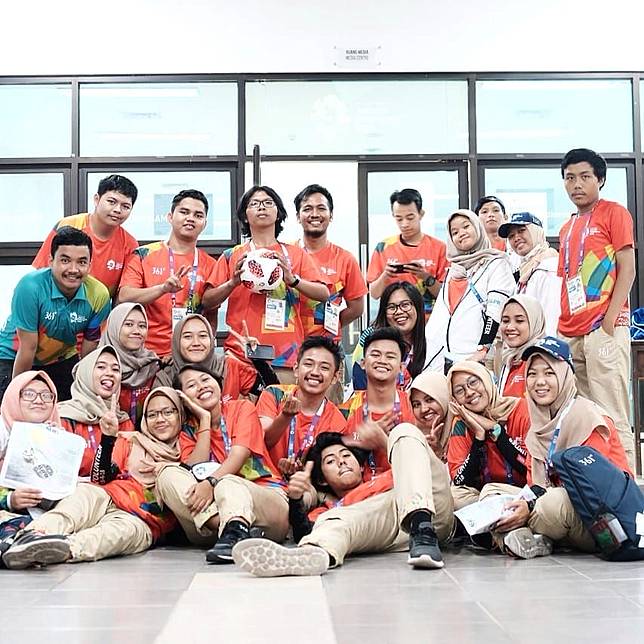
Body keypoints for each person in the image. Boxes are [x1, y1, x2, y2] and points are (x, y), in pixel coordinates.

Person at [232, 423, 454, 576]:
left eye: (346, 455)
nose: (342, 462)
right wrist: (296, 498)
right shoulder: (334, 509)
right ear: (323, 480)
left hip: (434, 507)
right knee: (333, 520)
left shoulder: (393, 472)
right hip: (392, 527)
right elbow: (303, 526)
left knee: (404, 431)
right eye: (330, 461)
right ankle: (310, 556)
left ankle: (423, 526)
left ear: (359, 463)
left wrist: (384, 441)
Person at [1, 387, 182, 569]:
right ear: (144, 420)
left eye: (168, 412)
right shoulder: (130, 440)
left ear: (180, 415)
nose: (160, 419)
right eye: (152, 414)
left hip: (143, 518)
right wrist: (108, 439)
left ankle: (62, 548)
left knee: (116, 534)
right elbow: (100, 477)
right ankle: (29, 536)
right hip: (106, 496)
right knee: (77, 501)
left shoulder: (188, 449)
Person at [484, 337, 630, 558]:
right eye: (532, 374)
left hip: (599, 520)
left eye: (549, 373)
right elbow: (535, 484)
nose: (539, 381)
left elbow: (593, 491)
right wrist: (527, 502)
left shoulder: (587, 417)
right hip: (551, 508)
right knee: (492, 494)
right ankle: (534, 540)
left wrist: (530, 507)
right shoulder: (539, 422)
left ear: (565, 375)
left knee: (552, 504)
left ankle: (522, 534)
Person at [154, 365, 288, 563]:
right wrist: (205, 420)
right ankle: (233, 531)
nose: (201, 386)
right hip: (209, 522)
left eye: (205, 379)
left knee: (227, 481)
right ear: (183, 398)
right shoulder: (187, 431)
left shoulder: (242, 408)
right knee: (167, 474)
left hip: (266, 507)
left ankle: (237, 528)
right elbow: (193, 469)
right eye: (191, 385)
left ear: (218, 383)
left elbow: (238, 455)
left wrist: (211, 483)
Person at [557, 148, 636, 468]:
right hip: (571, 329)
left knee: (613, 411)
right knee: (586, 416)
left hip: (604, 325)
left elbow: (628, 268)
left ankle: (629, 487)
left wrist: (608, 321)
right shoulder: (566, 227)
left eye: (585, 176)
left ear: (600, 180)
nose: (576, 184)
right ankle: (601, 482)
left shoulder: (615, 213)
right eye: (569, 178)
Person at [204, 186, 328, 382]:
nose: (262, 207)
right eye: (254, 204)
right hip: (241, 356)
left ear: (278, 213)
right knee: (241, 412)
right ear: (245, 216)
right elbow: (207, 301)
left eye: (268, 203)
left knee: (284, 410)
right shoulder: (232, 256)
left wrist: (293, 280)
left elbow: (323, 293)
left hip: (286, 357)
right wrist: (232, 283)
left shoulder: (295, 254)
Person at [0, 227, 111, 402]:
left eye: (82, 262)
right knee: (17, 407)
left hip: (60, 358)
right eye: (65, 260)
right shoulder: (30, 287)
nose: (73, 269)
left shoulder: (99, 295)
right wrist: (17, 398)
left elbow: (89, 351)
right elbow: (27, 348)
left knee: (70, 410)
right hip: (12, 356)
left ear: (90, 265)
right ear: (51, 261)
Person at [118, 189, 218, 357]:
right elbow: (124, 297)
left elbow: (211, 314)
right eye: (184, 212)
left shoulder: (211, 264)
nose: (190, 218)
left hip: (189, 356)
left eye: (198, 215)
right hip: (145, 353)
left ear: (205, 224)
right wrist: (163, 289)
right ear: (170, 217)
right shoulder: (143, 255)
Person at [424, 209, 515, 373]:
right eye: (455, 232)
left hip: (477, 360)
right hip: (442, 362)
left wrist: (483, 349)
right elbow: (440, 317)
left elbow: (496, 310)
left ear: (478, 228)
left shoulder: (496, 264)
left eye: (466, 226)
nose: (461, 233)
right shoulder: (453, 271)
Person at [33, 175, 139, 297]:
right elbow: (41, 273)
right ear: (96, 199)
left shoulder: (130, 244)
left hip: (100, 311)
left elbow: (123, 293)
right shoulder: (68, 225)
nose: (117, 210)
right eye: (111, 202)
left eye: (125, 206)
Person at [447, 360, 530, 510]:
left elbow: (528, 467)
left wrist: (494, 428)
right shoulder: (460, 423)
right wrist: (479, 437)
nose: (469, 392)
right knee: (455, 496)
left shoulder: (520, 409)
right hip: (486, 498)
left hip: (524, 494)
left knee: (490, 492)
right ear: (455, 400)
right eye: (460, 391)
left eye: (473, 382)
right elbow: (460, 480)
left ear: (486, 380)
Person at [256, 336, 348, 472]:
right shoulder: (274, 394)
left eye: (324, 367)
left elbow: (327, 468)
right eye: (308, 364)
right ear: (296, 369)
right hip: (267, 480)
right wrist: (285, 417)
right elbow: (264, 441)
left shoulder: (337, 421)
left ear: (335, 377)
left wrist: (302, 470)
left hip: (305, 485)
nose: (315, 372)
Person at [294, 184, 367, 342]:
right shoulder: (287, 255)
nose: (315, 214)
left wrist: (330, 325)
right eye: (307, 209)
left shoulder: (345, 259)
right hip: (290, 348)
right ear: (298, 217)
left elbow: (356, 308)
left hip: (329, 347)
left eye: (321, 208)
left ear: (331, 215)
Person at [341, 327, 416, 478]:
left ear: (401, 368)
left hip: (404, 488)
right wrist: (361, 441)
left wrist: (383, 441)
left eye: (390, 356)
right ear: (362, 363)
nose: (382, 361)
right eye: (375, 354)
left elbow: (420, 461)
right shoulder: (346, 410)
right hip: (360, 493)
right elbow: (336, 454)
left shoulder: (414, 405)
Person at [367, 188, 448, 319]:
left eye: (410, 218)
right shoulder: (383, 247)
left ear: (421, 214)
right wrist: (386, 275)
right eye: (399, 219)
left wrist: (425, 276)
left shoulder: (439, 248)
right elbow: (374, 293)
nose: (405, 224)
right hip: (394, 321)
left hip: (430, 322)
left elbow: (445, 294)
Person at [58, 346, 134, 476]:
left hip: (113, 491)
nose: (110, 373)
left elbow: (126, 469)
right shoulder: (63, 417)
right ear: (85, 373)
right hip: (74, 491)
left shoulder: (124, 422)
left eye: (115, 369)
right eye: (101, 367)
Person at [153, 313, 260, 404]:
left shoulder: (229, 366)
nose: (196, 343)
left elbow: (271, 393)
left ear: (211, 340)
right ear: (176, 342)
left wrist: (257, 358)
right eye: (188, 337)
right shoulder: (165, 378)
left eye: (203, 336)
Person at [0, 372, 62, 517]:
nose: (39, 400)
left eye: (46, 395)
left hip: (46, 515)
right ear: (15, 398)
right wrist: (9, 500)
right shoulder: (2, 429)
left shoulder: (56, 431)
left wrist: (54, 445)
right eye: (29, 394)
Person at [351, 281, 426, 390]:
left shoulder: (431, 342)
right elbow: (360, 381)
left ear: (418, 308)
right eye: (392, 307)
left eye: (405, 305)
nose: (399, 311)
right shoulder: (370, 338)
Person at [98, 303, 161, 427]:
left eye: (142, 326)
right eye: (128, 324)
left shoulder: (153, 364)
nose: (137, 331)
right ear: (114, 327)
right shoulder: (95, 367)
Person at [498, 212, 561, 334]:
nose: (516, 238)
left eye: (521, 231)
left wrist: (543, 351)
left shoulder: (549, 266)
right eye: (511, 236)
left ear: (536, 231)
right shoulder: (524, 270)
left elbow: (551, 317)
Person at [497, 295, 546, 397]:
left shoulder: (542, 359)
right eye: (505, 321)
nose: (510, 327)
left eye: (519, 321)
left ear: (534, 322)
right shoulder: (508, 358)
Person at [409, 370, 450, 461]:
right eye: (416, 404)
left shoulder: (463, 430)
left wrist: (439, 453)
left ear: (444, 396)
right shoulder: (415, 437)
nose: (423, 409)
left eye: (429, 400)